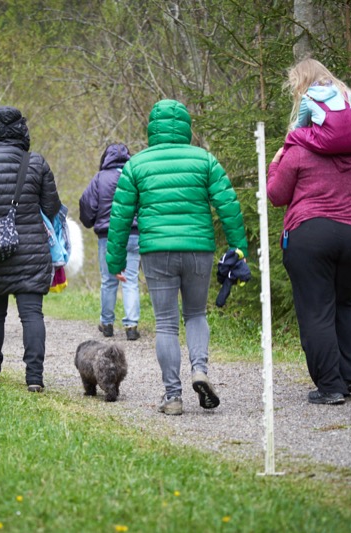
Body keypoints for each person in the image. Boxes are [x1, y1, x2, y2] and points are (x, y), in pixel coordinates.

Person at [106, 99, 249, 416]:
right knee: (196, 314)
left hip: (157, 252)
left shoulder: (137, 165)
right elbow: (228, 205)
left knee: (167, 325)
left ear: (152, 129)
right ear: (186, 127)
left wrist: (115, 262)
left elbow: (119, 217)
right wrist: (239, 249)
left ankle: (173, 397)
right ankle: (200, 370)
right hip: (199, 248)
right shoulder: (205, 160)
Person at [267, 59, 351, 406]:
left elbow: (276, 195)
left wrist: (274, 163)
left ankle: (330, 385)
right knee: (346, 302)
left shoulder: (297, 152)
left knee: (316, 310)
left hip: (311, 235)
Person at [0, 106, 61, 393]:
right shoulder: (37, 162)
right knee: (32, 314)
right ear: (22, 130)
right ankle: (34, 376)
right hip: (32, 249)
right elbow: (52, 207)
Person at [79, 143, 141, 341]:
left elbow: (86, 203)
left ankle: (107, 323)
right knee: (131, 279)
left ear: (106, 158)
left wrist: (90, 221)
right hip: (133, 234)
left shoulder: (100, 178)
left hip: (108, 235)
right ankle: (131, 325)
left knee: (108, 280)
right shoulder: (135, 175)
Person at [283, 58, 351, 155]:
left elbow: (300, 126)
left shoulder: (309, 98)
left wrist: (290, 135)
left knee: (295, 134)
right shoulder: (343, 90)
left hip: (330, 142)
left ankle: (284, 158)